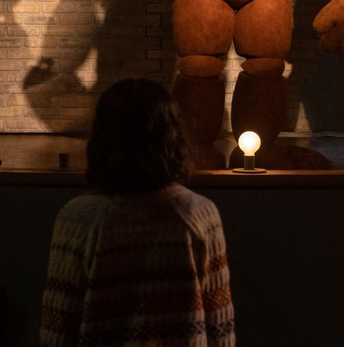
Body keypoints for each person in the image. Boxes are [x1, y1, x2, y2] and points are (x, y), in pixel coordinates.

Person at [40, 78, 235, 347]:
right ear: (171, 138)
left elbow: (58, 327)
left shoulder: (78, 219)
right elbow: (220, 326)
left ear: (102, 138)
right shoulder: (199, 215)